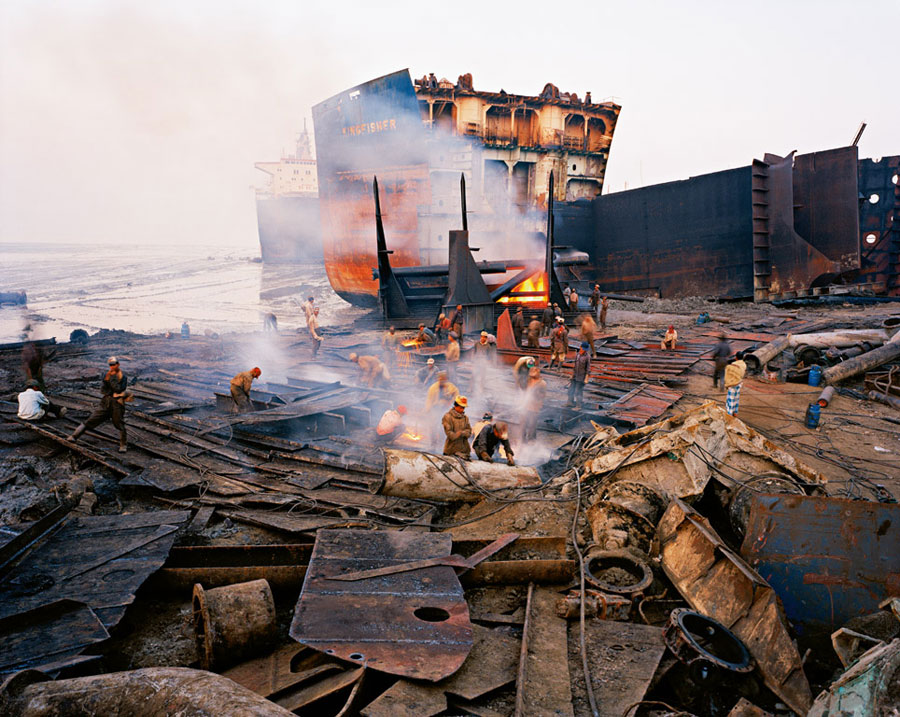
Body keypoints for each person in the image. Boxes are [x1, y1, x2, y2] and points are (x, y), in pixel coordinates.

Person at [69, 357, 130, 452]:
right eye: (111, 365)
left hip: (117, 402)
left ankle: (123, 444)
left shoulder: (123, 377)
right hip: (106, 401)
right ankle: (74, 436)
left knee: (119, 423)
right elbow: (103, 390)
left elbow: (119, 389)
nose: (112, 366)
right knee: (92, 418)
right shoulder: (106, 375)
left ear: (118, 365)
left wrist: (113, 380)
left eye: (114, 364)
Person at [442, 395, 472, 459]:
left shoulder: (465, 418)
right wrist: (458, 434)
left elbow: (469, 432)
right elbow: (450, 435)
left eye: (464, 407)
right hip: (451, 451)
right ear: (455, 406)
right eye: (461, 407)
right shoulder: (448, 417)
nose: (462, 409)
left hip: (464, 451)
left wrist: (461, 433)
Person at [523, 366, 547, 440]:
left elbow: (543, 395)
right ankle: (522, 439)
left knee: (532, 424)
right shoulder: (528, 380)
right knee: (523, 423)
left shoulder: (542, 383)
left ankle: (531, 439)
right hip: (526, 405)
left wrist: (537, 394)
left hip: (535, 407)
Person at [566, 343, 591, 409]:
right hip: (575, 375)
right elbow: (575, 365)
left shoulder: (587, 356)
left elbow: (588, 368)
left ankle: (578, 406)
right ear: (580, 347)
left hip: (581, 377)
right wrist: (572, 375)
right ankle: (570, 402)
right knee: (571, 389)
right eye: (583, 349)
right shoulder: (577, 354)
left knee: (578, 391)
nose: (584, 351)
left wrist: (586, 378)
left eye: (585, 350)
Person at [724, 351, 747, 416]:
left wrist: (727, 383)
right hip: (739, 383)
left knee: (731, 399)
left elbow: (728, 375)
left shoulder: (732, 365)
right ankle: (735, 412)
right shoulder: (744, 364)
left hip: (732, 384)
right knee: (736, 398)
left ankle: (729, 414)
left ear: (736, 357)